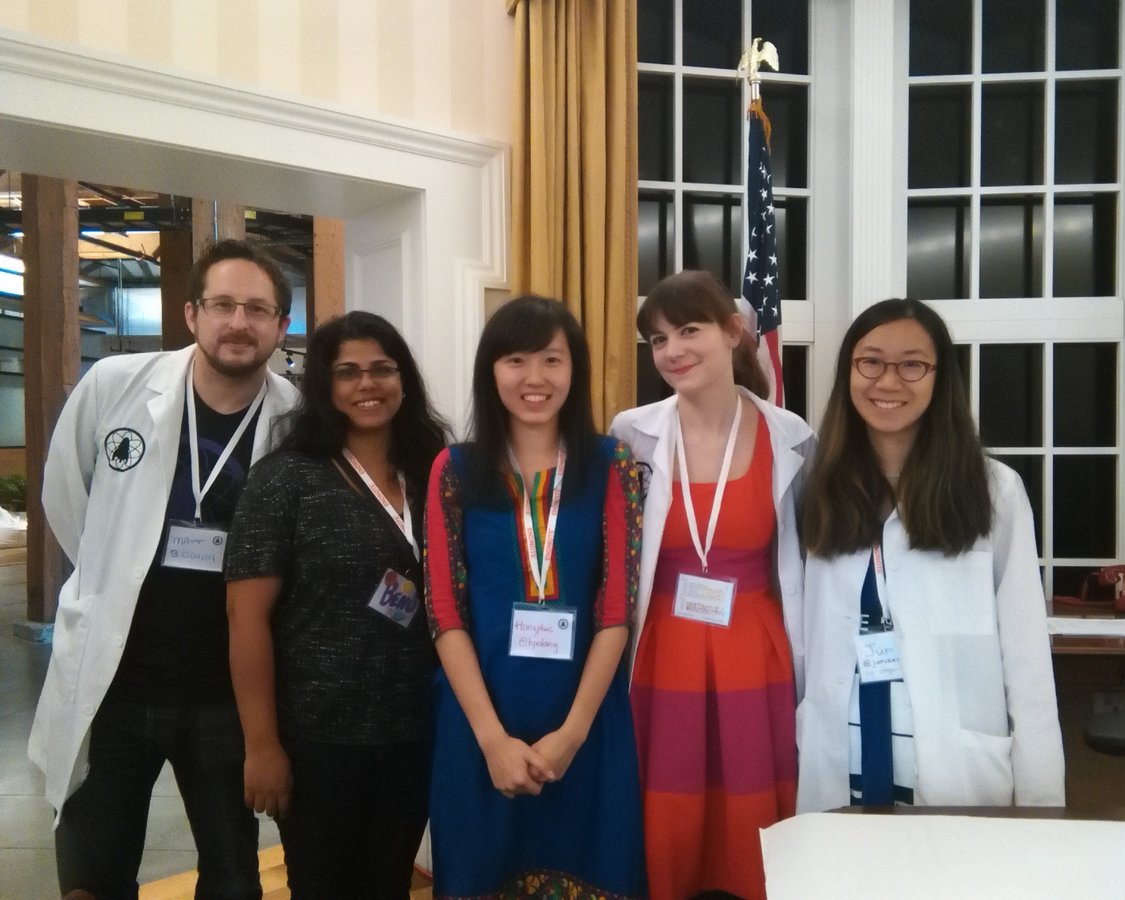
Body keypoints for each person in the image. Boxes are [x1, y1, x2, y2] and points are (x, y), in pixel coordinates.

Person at [30, 239, 298, 899]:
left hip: (225, 695)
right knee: (95, 870)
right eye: (223, 304)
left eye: (257, 309)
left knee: (232, 874)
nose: (239, 322)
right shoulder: (115, 386)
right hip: (115, 683)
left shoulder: (297, 419)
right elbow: (66, 495)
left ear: (281, 325)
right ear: (191, 313)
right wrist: (111, 573)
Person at [797, 298, 1064, 811]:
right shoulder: (817, 487)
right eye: (870, 362)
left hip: (952, 767)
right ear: (848, 371)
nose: (888, 381)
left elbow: (1027, 660)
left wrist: (1042, 806)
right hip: (840, 758)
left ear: (941, 377)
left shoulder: (993, 491)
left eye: (912, 364)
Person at [424, 295, 645, 898]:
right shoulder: (454, 470)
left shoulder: (611, 463)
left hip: (588, 726)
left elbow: (616, 610)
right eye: (515, 360)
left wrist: (572, 735)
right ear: (491, 371)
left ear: (574, 370)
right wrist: (492, 740)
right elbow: (445, 612)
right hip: (479, 728)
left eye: (552, 359)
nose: (534, 378)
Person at [224, 311, 448, 899]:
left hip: (416, 731)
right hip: (317, 738)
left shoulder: (435, 473)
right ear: (323, 385)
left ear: (404, 379)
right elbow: (246, 618)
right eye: (347, 372)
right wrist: (262, 746)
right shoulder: (284, 479)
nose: (367, 384)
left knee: (388, 885)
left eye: (382, 369)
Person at [609, 270, 815, 900]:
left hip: (754, 649)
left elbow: (808, 559)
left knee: (750, 822)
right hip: (662, 650)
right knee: (666, 821)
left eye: (688, 330)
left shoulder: (791, 436)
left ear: (733, 332)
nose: (672, 350)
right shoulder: (629, 434)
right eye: (658, 339)